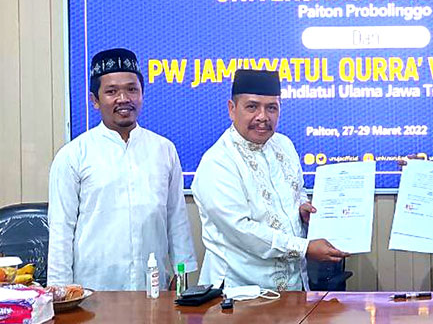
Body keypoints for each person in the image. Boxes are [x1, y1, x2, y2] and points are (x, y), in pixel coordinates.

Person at [47, 48, 197, 290]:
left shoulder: (163, 149)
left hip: (153, 287)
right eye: (111, 91)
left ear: (142, 94)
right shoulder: (73, 155)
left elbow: (176, 218)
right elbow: (61, 228)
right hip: (93, 291)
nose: (123, 98)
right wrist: (60, 290)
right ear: (94, 100)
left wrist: (180, 278)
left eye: (131, 89)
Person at [192, 69, 348, 290]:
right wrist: (304, 248)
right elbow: (241, 230)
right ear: (232, 109)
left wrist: (302, 209)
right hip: (239, 294)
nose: (263, 117)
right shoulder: (218, 162)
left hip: (293, 287)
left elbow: (297, 191)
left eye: (271, 108)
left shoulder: (284, 145)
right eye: (252, 107)